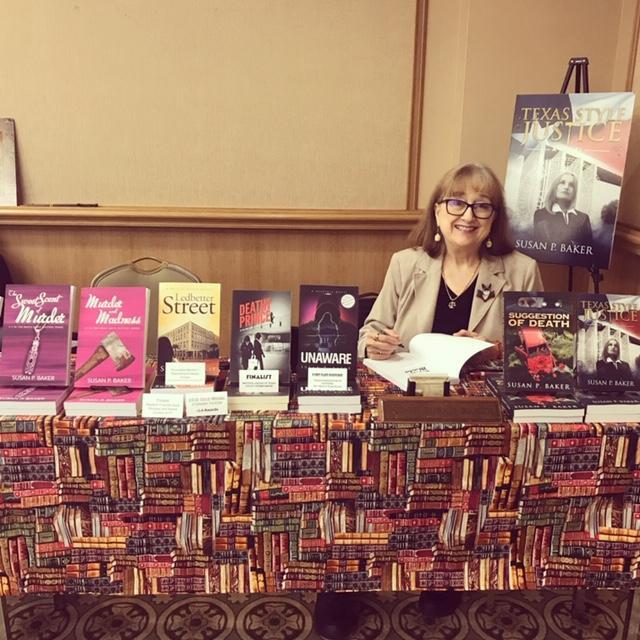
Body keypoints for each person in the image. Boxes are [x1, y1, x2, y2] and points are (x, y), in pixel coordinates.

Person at [358, 162, 542, 361]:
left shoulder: (523, 271)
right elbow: (370, 332)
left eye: (482, 206)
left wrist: (497, 351)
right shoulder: (404, 264)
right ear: (437, 212)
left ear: (494, 218)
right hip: (411, 387)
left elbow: (541, 350)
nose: (468, 216)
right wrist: (374, 345)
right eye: (457, 203)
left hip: (484, 390)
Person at [532, 171, 593, 256]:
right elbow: (539, 248)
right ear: (555, 187)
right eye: (562, 182)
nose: (566, 187)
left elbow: (588, 250)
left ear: (574, 191)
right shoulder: (540, 214)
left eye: (571, 185)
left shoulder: (584, 218)